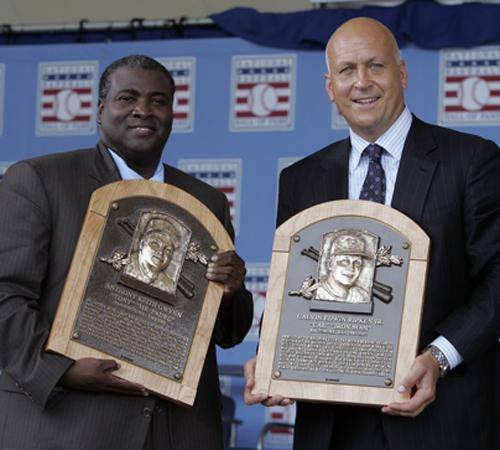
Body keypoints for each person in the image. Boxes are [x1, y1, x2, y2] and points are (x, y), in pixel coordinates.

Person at [245, 17, 500, 450]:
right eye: (347, 70)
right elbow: (292, 286)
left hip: (440, 420)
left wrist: (438, 358)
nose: (361, 82)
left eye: (375, 66)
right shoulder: (300, 179)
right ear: (330, 86)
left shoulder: (471, 161)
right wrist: (272, 358)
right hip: (331, 426)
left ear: (402, 73)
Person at [0, 55, 253, 450]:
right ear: (101, 111)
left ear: (172, 112)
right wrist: (62, 371)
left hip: (179, 432)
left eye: (158, 101)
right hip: (71, 426)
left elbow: (228, 333)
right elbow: (5, 296)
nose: (143, 111)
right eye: (128, 98)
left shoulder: (207, 202)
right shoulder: (40, 181)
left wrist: (233, 290)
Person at [315, 232, 371, 303]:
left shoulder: (362, 296)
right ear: (329, 264)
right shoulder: (316, 293)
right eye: (344, 262)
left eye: (357, 263)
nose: (351, 268)